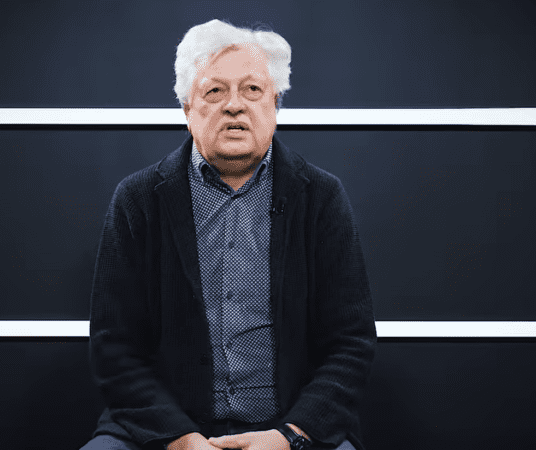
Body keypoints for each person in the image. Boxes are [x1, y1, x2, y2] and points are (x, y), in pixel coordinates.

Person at [82, 19, 376, 450]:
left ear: (275, 104)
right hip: (161, 430)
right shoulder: (138, 200)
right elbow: (114, 348)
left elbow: (350, 344)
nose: (234, 106)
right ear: (187, 109)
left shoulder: (321, 197)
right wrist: (182, 439)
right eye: (215, 92)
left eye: (252, 90)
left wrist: (288, 436)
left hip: (291, 429)